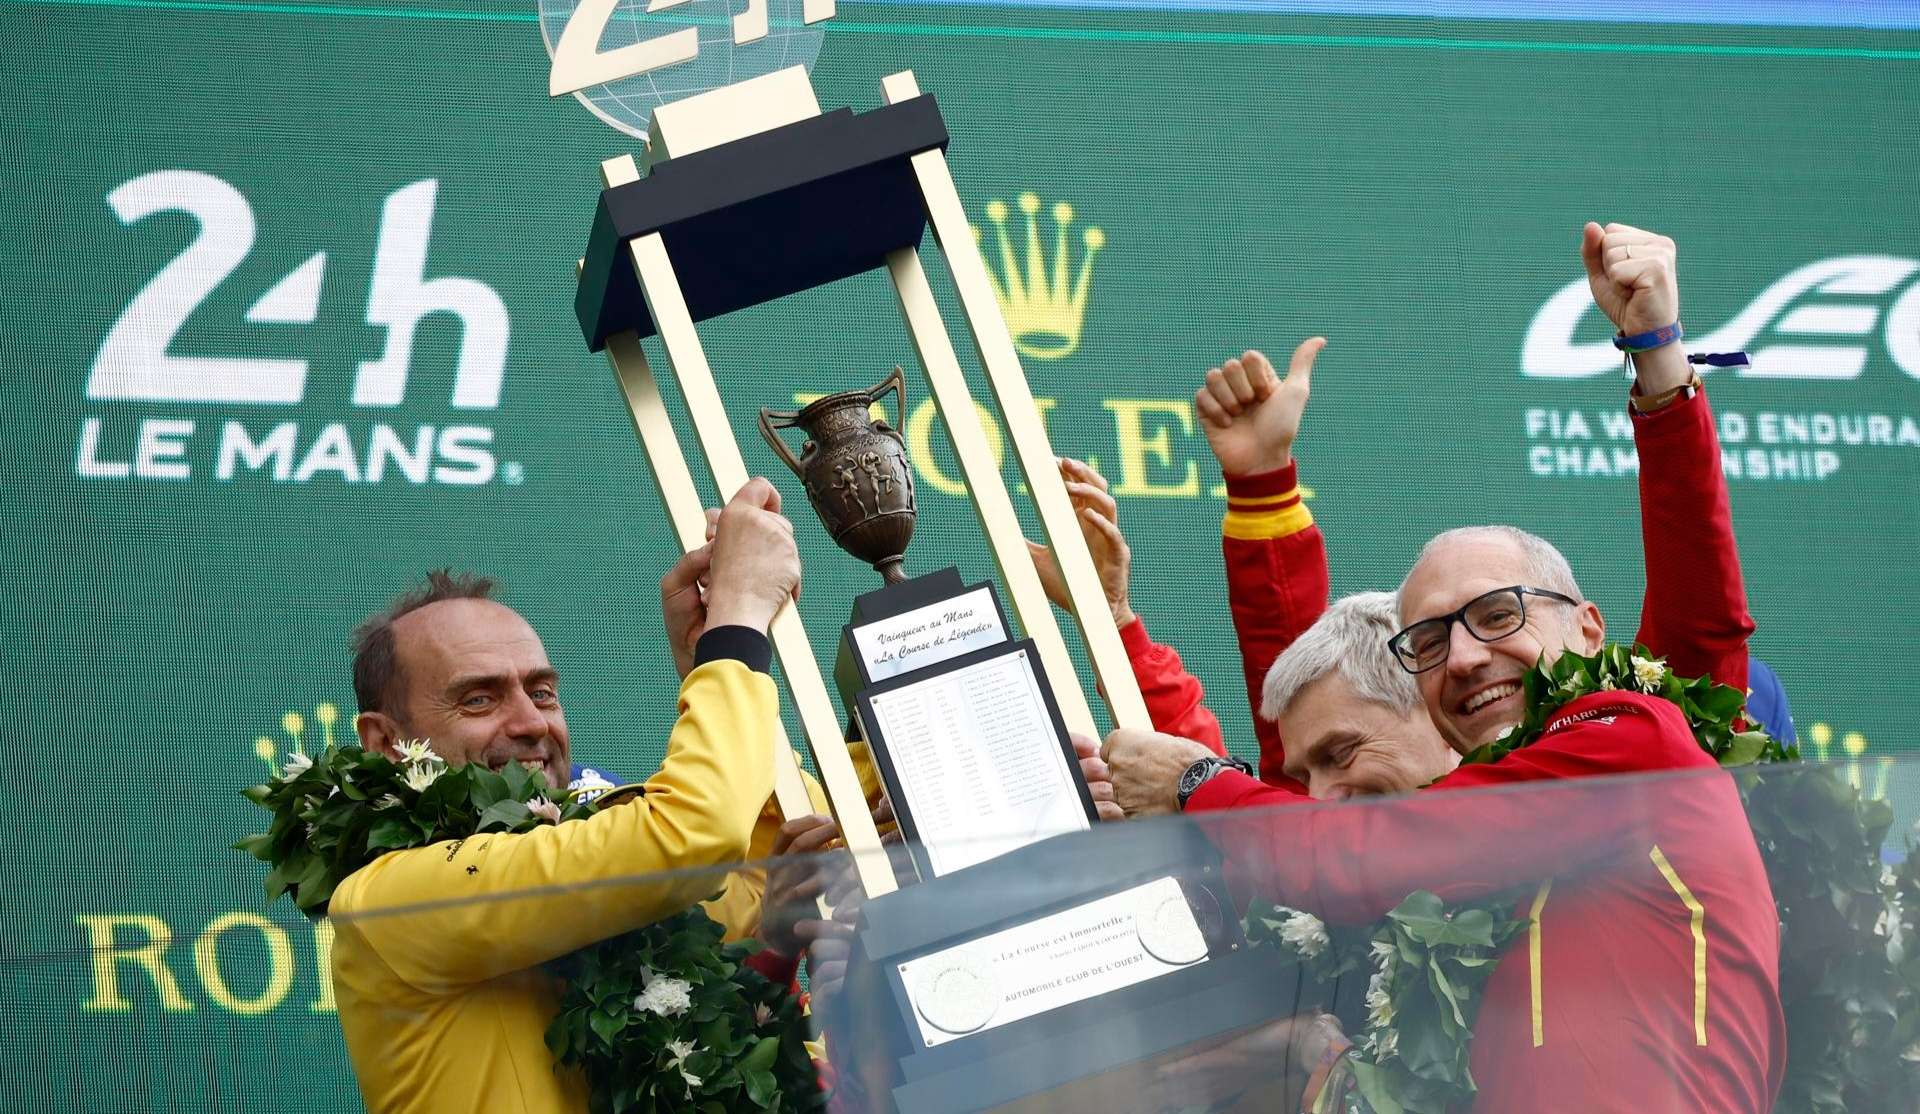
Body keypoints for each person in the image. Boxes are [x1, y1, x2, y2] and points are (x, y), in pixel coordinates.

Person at [329, 478, 806, 1114]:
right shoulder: (390, 898)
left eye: (543, 692)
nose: (531, 723)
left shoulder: (619, 893)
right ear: (387, 742)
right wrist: (739, 625)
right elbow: (691, 836)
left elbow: (750, 869)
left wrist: (702, 659)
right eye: (479, 698)